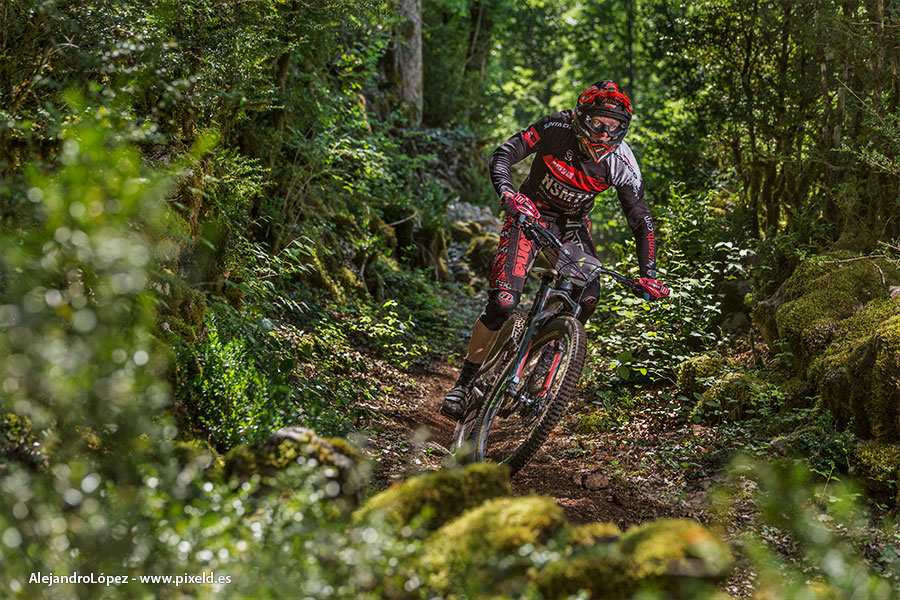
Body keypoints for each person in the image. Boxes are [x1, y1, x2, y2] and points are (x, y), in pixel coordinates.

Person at [440, 80, 670, 420]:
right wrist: (509, 194)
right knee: (504, 302)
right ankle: (465, 382)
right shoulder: (554, 126)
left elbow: (641, 219)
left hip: (571, 227)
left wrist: (648, 273)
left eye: (614, 127)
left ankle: (543, 369)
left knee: (589, 294)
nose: (605, 134)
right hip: (529, 213)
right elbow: (505, 153)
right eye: (597, 123)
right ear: (581, 117)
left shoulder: (622, 161)